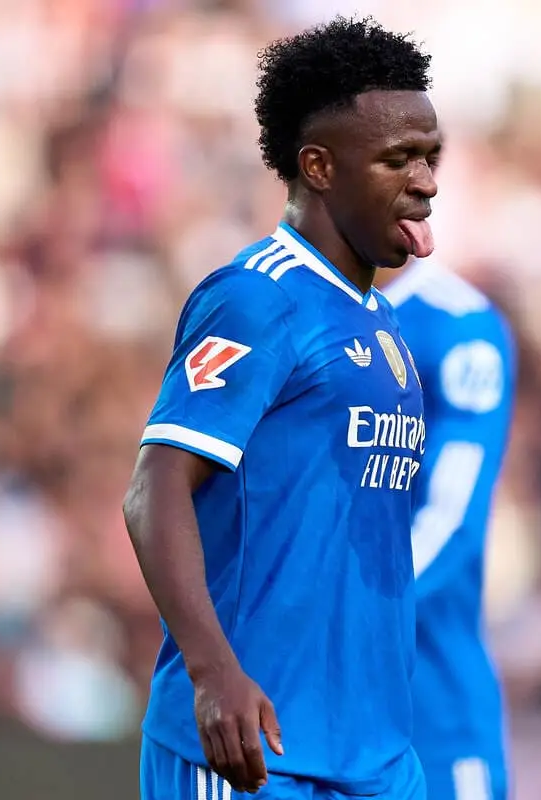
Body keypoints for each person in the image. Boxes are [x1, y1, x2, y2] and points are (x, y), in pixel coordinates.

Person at [122, 16, 441, 800]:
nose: (428, 180)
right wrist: (212, 672)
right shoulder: (257, 300)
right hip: (255, 749)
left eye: (431, 156)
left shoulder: (381, 324)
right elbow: (152, 489)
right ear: (320, 167)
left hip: (376, 757)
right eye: (398, 158)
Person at [374, 261, 516, 800]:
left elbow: (451, 518)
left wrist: (343, 605)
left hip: (427, 707)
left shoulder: (459, 328)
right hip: (300, 700)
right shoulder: (277, 306)